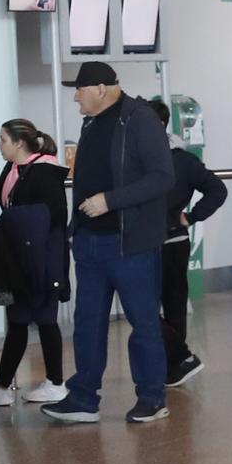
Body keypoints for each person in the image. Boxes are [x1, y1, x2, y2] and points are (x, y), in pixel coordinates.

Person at [42, 62, 177, 426]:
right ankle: (84, 397)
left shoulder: (139, 119)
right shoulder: (92, 122)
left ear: (101, 88)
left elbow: (163, 177)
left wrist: (110, 201)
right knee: (88, 322)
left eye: (79, 90)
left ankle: (152, 397)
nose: (75, 97)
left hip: (129, 243)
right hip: (90, 242)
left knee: (142, 322)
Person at [0, 119, 68, 406]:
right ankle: (6, 385)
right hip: (22, 260)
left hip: (40, 262)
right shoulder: (14, 170)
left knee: (40, 320)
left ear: (19, 143)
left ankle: (52, 382)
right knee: (22, 322)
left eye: (3, 140)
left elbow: (54, 222)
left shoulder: (43, 173)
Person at [147, 97, 227, 385]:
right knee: (174, 304)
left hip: (153, 243)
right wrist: (191, 218)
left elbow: (217, 190)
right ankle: (175, 363)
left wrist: (192, 217)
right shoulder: (184, 160)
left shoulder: (150, 161)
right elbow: (217, 190)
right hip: (174, 241)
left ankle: (175, 360)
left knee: (145, 306)